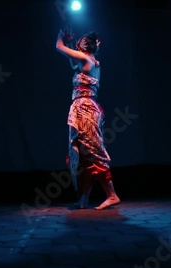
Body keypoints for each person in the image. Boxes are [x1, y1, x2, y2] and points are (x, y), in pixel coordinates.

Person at [55, 28, 120, 210]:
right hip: (85, 108)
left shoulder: (87, 59)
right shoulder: (89, 61)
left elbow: (58, 47)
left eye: (81, 44)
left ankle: (112, 195)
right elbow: (72, 61)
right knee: (85, 156)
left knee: (93, 151)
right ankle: (83, 198)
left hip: (86, 109)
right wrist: (69, 42)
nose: (79, 45)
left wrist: (61, 35)